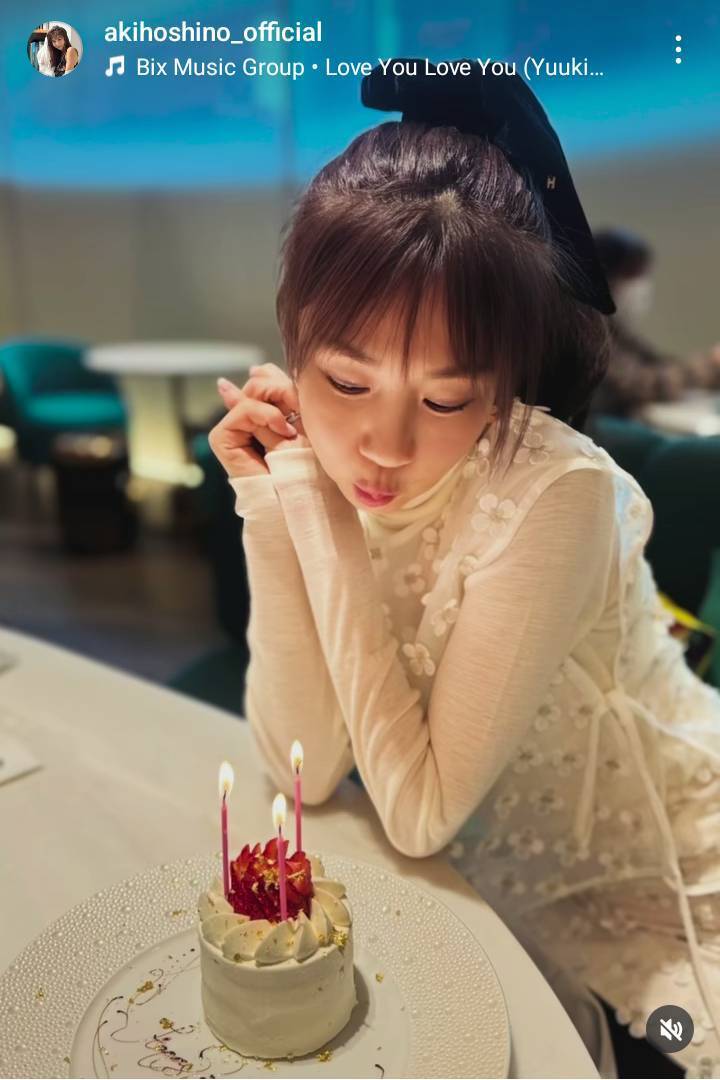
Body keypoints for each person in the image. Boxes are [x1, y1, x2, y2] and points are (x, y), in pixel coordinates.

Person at [209, 61, 720, 1079]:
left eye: (445, 400)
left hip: (652, 873)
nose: (383, 445)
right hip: (464, 871)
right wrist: (271, 506)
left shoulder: (554, 491)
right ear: (293, 344)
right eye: (345, 380)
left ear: (503, 385)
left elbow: (418, 812)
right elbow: (303, 756)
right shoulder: (319, 457)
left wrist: (317, 510)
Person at [589, 227, 720, 417]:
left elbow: (656, 363)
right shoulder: (587, 329)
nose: (639, 286)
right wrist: (710, 365)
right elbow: (638, 384)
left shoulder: (615, 328)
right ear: (605, 277)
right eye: (631, 274)